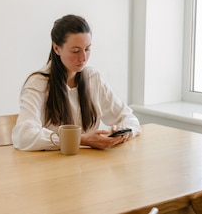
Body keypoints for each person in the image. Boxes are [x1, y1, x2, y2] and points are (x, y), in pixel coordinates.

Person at [12, 14, 141, 151]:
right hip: (51, 167)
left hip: (87, 164)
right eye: (75, 51)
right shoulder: (38, 84)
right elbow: (24, 137)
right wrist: (80, 139)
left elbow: (129, 118)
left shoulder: (92, 78)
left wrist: (123, 132)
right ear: (57, 48)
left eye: (87, 49)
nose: (83, 58)